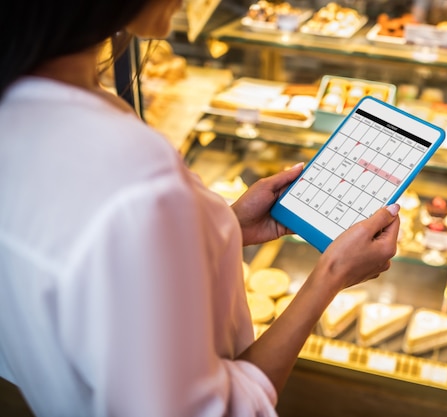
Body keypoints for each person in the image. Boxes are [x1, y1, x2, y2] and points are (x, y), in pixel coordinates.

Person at [0, 1, 401, 416]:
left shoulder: (22, 110)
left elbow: (94, 284)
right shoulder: (135, 176)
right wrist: (330, 277)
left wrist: (224, 226)